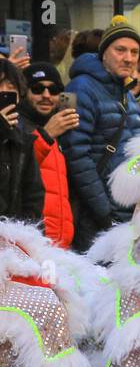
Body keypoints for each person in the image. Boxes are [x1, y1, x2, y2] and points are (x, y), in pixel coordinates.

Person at [62, 16, 140, 251]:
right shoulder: (80, 88)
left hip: (124, 213)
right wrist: (104, 212)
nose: (128, 58)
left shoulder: (126, 94)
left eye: (134, 51)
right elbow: (76, 156)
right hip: (94, 217)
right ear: (104, 53)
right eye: (120, 50)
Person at [17, 62, 77, 247]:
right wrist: (45, 135)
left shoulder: (61, 127)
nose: (46, 95)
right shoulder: (14, 125)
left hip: (60, 245)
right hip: (30, 242)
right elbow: (15, 170)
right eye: (37, 89)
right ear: (23, 92)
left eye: (53, 90)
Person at [0, 58, 43, 227]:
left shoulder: (22, 137)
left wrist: (27, 236)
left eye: (11, 89)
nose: (3, 92)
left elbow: (33, 194)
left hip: (11, 240)